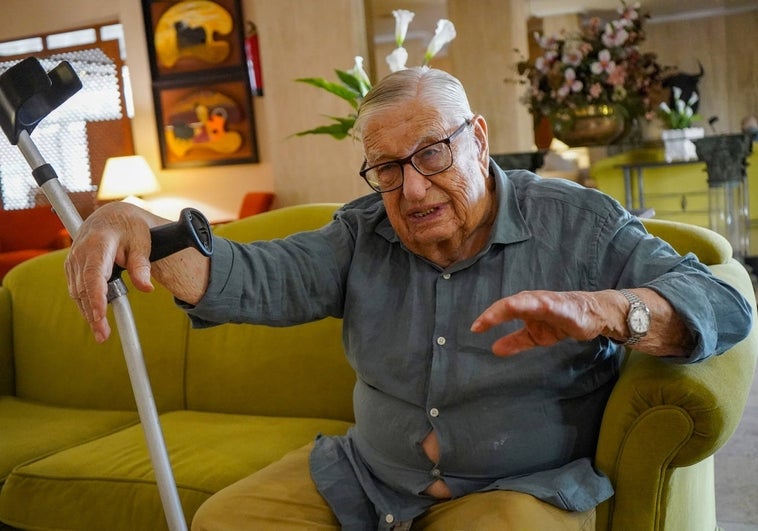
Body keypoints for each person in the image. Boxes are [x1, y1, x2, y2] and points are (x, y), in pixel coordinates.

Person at [65, 67, 752, 530]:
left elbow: (723, 302)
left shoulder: (581, 223)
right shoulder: (360, 233)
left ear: (478, 140)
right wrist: (138, 228)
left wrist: (607, 309)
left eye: (431, 154)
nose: (413, 189)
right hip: (366, 479)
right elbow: (250, 275)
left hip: (518, 485)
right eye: (388, 169)